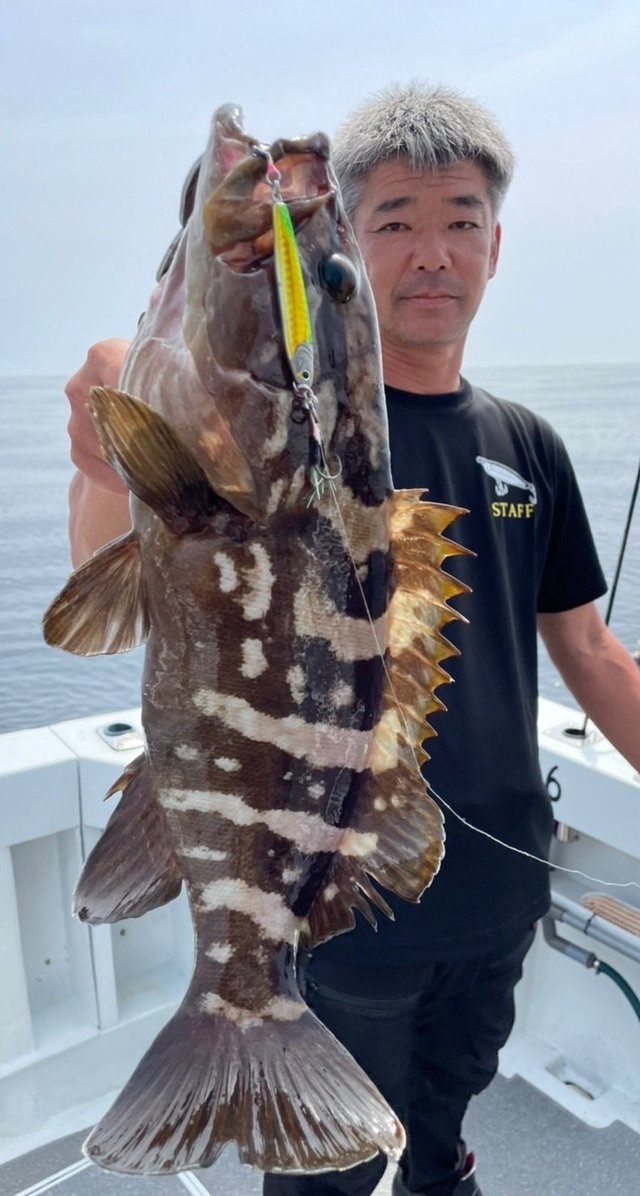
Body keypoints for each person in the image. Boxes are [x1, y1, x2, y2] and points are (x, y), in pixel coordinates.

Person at [64, 84, 640, 1196]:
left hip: (497, 893)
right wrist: (107, 462)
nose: (433, 253)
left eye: (460, 220)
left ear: (495, 243)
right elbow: (118, 574)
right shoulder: (302, 427)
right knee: (323, 1177)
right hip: (345, 906)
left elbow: (592, 652)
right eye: (392, 224)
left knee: (442, 1123)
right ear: (353, 255)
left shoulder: (530, 441)